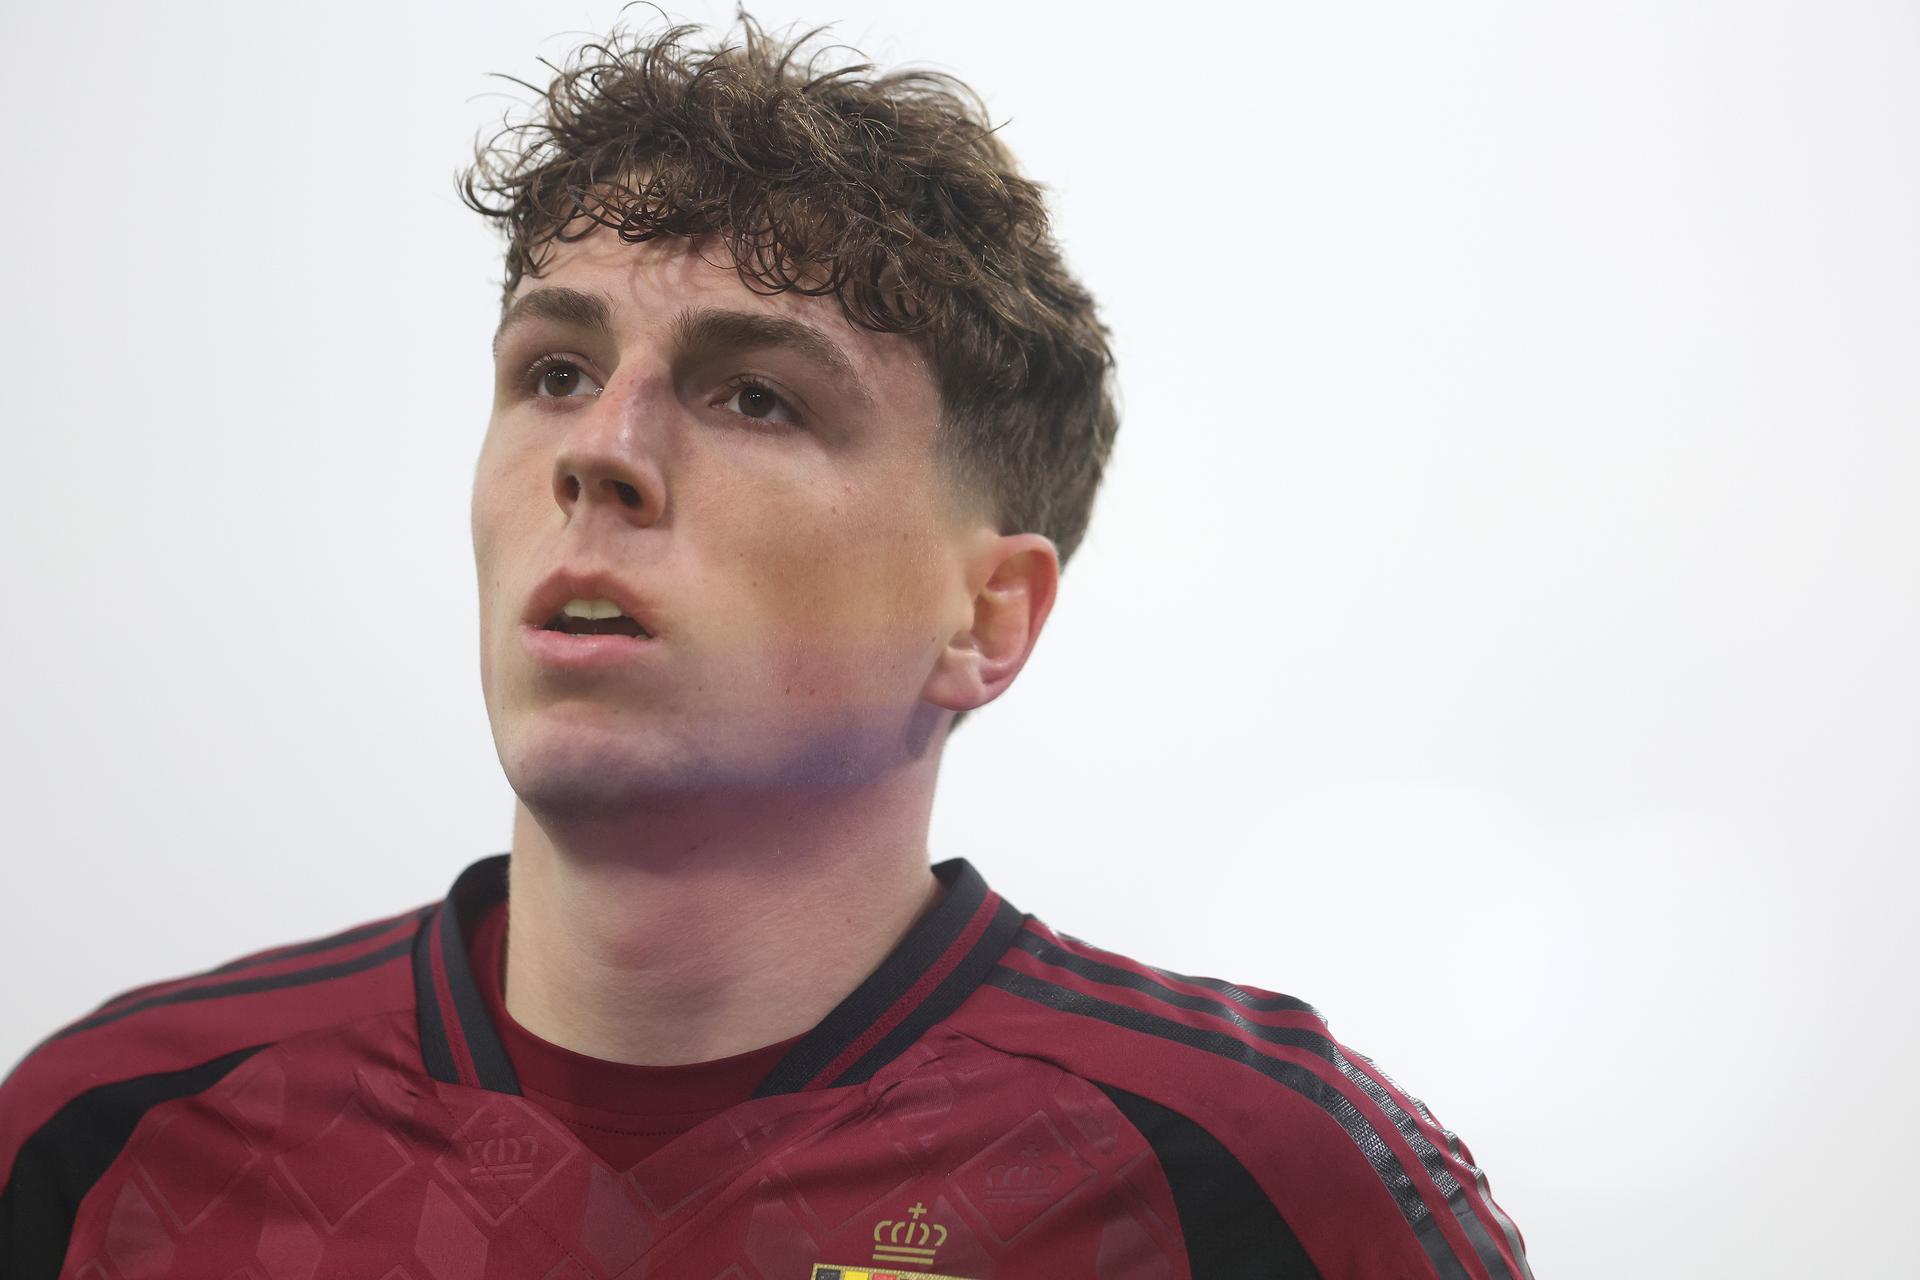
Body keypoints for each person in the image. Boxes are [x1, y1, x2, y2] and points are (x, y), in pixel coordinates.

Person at [0, 10, 1531, 1277]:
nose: (599, 454)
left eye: (755, 396)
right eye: (555, 371)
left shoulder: (1262, 1183)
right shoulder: (108, 1142)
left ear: (987, 617)